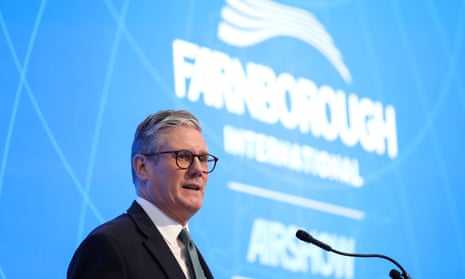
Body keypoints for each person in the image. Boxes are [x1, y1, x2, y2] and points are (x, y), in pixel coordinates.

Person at [67, 109, 218, 279]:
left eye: (204, 159)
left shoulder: (192, 257)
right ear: (142, 167)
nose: (198, 170)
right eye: (183, 156)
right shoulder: (109, 246)